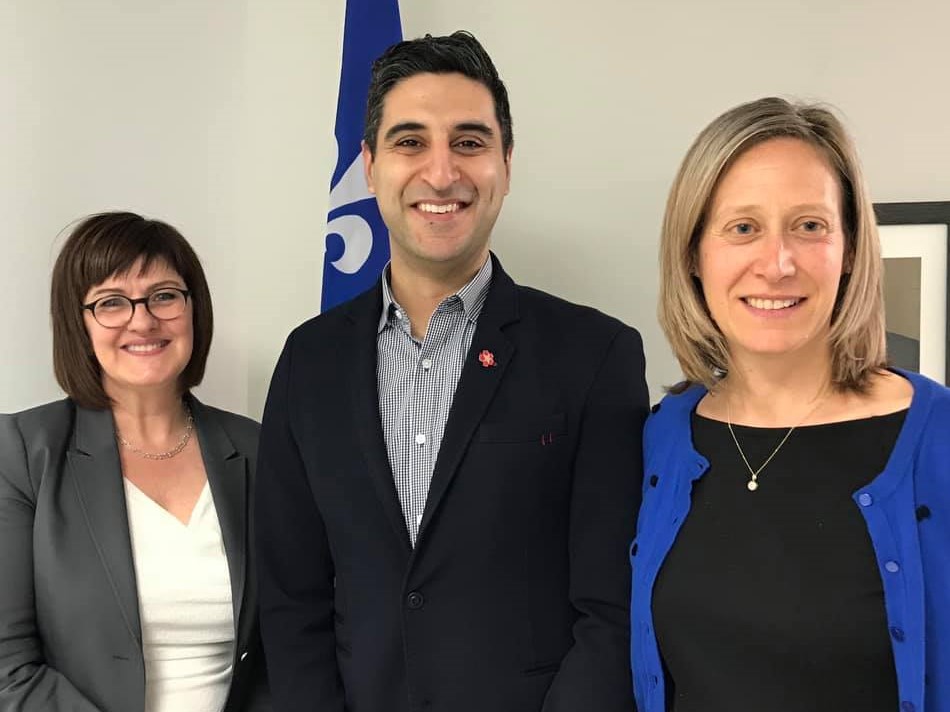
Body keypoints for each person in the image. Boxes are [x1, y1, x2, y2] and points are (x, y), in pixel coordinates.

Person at [256, 30, 649, 712]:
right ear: (370, 166)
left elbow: (611, 608)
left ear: (506, 162)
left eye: (469, 141)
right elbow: (293, 602)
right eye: (411, 142)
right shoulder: (307, 363)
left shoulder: (595, 354)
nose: (441, 173)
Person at [631, 97, 950, 712]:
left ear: (852, 249)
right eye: (743, 227)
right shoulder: (662, 438)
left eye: (809, 226)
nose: (776, 264)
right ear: (694, 254)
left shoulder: (937, 437)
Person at [0, 212, 270, 711]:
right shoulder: (20, 452)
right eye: (111, 303)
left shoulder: (259, 449)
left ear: (194, 310)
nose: (142, 320)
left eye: (164, 295)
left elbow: (289, 642)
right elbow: (6, 666)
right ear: (78, 323)